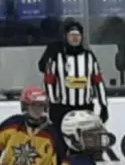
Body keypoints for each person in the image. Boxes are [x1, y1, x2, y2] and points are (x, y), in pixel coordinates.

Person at [40, 20, 110, 150]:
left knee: (86, 143)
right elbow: (49, 81)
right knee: (61, 144)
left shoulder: (89, 57)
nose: (75, 38)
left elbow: (98, 81)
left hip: (85, 107)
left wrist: (104, 105)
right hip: (63, 108)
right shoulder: (56, 56)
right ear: (66, 37)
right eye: (71, 35)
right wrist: (52, 104)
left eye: (77, 35)